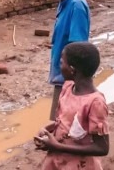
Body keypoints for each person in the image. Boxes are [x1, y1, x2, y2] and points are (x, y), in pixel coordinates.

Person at [35, 42, 109, 170]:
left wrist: (57, 146)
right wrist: (47, 129)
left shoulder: (95, 102)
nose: (59, 65)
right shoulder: (68, 87)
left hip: (79, 165)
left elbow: (102, 148)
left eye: (62, 62)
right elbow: (63, 121)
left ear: (72, 69)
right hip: (58, 160)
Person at [48, 0, 90, 120]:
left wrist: (70, 75)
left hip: (67, 74)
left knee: (60, 118)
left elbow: (77, 45)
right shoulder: (65, 1)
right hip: (61, 71)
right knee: (59, 117)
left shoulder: (76, 5)